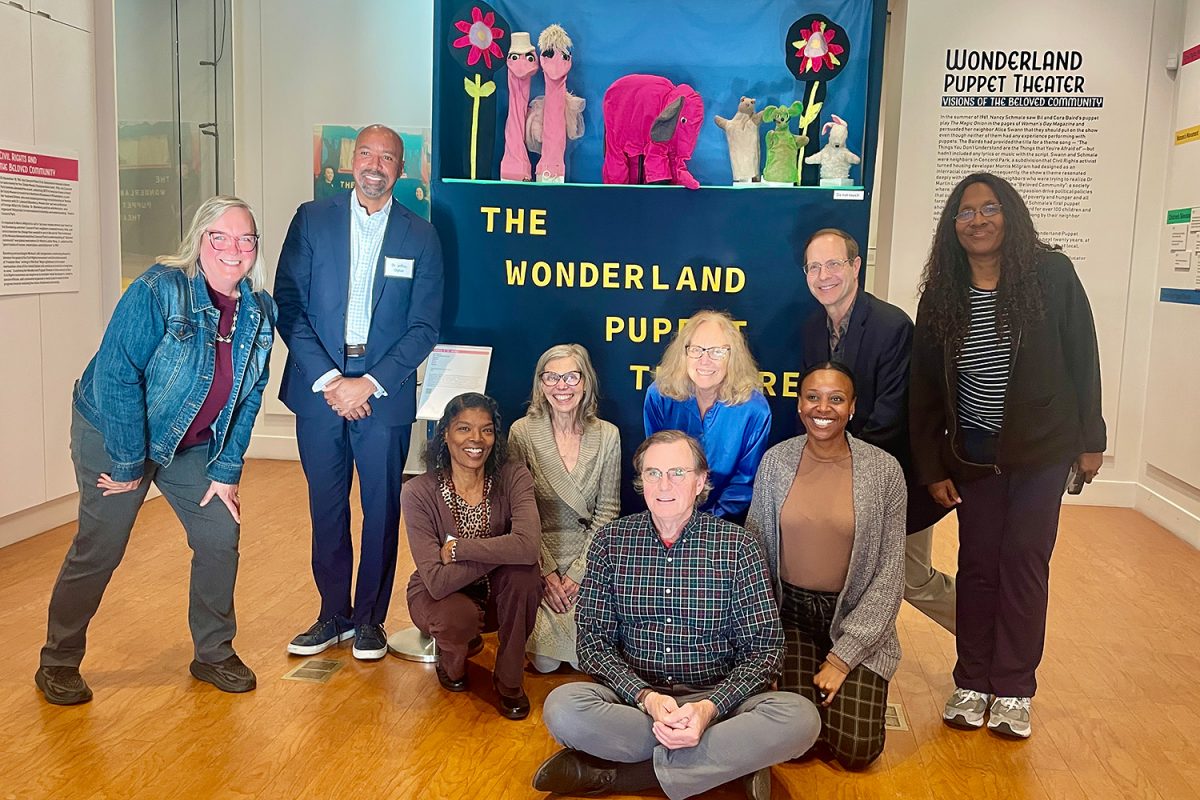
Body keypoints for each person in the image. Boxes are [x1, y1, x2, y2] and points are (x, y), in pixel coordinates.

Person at [36, 196, 277, 705]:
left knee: (220, 533)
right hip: (114, 433)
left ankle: (213, 653)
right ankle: (58, 660)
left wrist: (227, 470)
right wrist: (126, 465)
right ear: (199, 240)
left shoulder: (259, 311)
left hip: (188, 442)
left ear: (255, 248)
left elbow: (251, 394)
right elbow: (118, 374)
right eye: (221, 237)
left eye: (245, 239)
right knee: (103, 544)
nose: (233, 249)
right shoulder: (158, 290)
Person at [910, 172, 1106, 739]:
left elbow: (1083, 355)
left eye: (989, 208)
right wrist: (932, 467)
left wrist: (1091, 438)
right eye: (965, 212)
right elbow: (926, 390)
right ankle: (971, 681)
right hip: (974, 453)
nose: (977, 220)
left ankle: (1015, 687)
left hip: (1042, 448)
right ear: (953, 227)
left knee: (1023, 561)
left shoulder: (1051, 275)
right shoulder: (943, 291)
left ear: (1010, 214)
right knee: (978, 567)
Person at [534, 430, 819, 800]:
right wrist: (646, 698)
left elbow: (765, 650)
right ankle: (727, 764)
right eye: (653, 473)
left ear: (700, 481)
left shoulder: (739, 546)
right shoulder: (610, 542)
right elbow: (592, 644)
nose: (663, 484)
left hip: (720, 704)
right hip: (636, 705)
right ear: (641, 481)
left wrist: (708, 708)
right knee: (563, 708)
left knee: (799, 718)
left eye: (677, 473)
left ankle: (618, 778)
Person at [276, 124, 444, 661]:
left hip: (383, 393)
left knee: (381, 508)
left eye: (388, 158)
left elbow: (424, 327)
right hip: (318, 389)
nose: (376, 165)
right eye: (367, 154)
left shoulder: (421, 236)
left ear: (402, 169)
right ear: (352, 161)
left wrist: (368, 383)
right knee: (326, 506)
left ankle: (370, 619)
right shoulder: (311, 220)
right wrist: (330, 381)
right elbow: (289, 305)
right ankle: (333, 616)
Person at [746, 362, 906, 770]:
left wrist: (842, 659)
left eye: (836, 399)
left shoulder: (884, 471)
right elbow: (757, 555)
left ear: (852, 407)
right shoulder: (775, 463)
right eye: (813, 397)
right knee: (797, 743)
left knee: (856, 751)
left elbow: (889, 575)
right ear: (799, 405)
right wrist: (761, 645)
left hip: (854, 617)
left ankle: (838, 688)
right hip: (791, 618)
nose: (824, 407)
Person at [800, 228, 955, 633]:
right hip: (841, 477)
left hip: (897, 477)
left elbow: (891, 418)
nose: (823, 275)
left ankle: (988, 639)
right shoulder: (811, 330)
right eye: (813, 267)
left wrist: (837, 472)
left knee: (911, 579)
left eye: (833, 263)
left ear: (855, 266)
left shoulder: (892, 326)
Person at [403, 393, 542, 720]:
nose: (476, 439)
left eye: (486, 430)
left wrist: (458, 549)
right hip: (440, 598)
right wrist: (506, 547)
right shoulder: (418, 492)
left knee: (525, 575)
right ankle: (452, 662)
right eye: (464, 429)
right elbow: (436, 582)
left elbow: (529, 547)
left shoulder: (513, 476)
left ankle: (509, 683)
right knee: (458, 619)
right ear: (445, 434)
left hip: (497, 594)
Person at [508, 344, 621, 673]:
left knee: (583, 660)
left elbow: (608, 512)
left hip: (590, 552)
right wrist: (547, 573)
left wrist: (577, 573)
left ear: (585, 382)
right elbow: (521, 512)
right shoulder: (523, 432)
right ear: (540, 384)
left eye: (571, 377)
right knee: (543, 662)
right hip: (539, 550)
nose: (562, 386)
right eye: (552, 377)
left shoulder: (608, 435)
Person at [643, 310, 771, 523]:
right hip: (667, 516)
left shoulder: (754, 409)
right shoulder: (659, 395)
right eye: (696, 350)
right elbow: (655, 466)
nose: (705, 360)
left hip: (724, 524)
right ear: (683, 354)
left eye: (717, 352)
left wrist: (704, 523)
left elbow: (744, 483)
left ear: (732, 357)